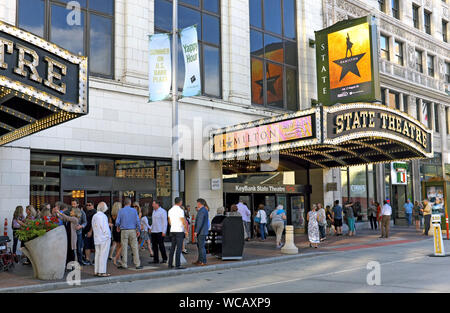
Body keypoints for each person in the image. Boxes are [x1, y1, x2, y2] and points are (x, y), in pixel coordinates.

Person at [115, 197, 142, 270]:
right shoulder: (134, 210)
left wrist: (117, 226)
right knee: (135, 247)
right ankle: (137, 264)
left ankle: (124, 264)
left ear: (124, 203)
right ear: (130, 203)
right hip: (132, 230)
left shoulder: (121, 211)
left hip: (124, 230)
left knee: (124, 247)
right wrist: (138, 230)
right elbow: (137, 221)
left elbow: (117, 221)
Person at [168, 197, 189, 270]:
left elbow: (169, 221)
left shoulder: (170, 210)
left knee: (173, 247)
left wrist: (173, 225)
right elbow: (183, 221)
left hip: (173, 229)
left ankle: (170, 264)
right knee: (179, 248)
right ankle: (177, 264)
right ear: (180, 202)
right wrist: (186, 231)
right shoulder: (180, 210)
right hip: (179, 230)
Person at [92, 202, 111, 277]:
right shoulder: (103, 216)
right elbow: (104, 227)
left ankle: (97, 271)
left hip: (97, 237)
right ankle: (102, 271)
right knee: (103, 254)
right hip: (103, 238)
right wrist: (107, 235)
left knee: (98, 254)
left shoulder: (95, 216)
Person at [69, 199, 87, 265]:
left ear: (77, 204)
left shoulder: (82, 212)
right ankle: (72, 262)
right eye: (72, 204)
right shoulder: (69, 211)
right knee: (72, 249)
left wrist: (81, 226)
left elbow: (85, 222)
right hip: (71, 232)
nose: (73, 205)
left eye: (74, 204)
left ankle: (80, 261)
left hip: (78, 232)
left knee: (79, 248)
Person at [149, 200, 168, 264]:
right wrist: (151, 228)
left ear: (157, 204)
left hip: (160, 231)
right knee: (154, 246)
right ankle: (156, 259)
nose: (152, 205)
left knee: (161, 246)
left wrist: (164, 231)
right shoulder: (153, 211)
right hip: (154, 231)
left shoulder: (163, 211)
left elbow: (165, 222)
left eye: (153, 204)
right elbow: (153, 221)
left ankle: (164, 258)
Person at [193, 198, 209, 266]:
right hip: (202, 231)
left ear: (199, 203)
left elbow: (200, 222)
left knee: (201, 246)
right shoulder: (203, 210)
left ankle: (203, 261)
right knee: (200, 246)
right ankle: (200, 260)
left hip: (201, 232)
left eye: (197, 203)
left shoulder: (202, 210)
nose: (197, 204)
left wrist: (196, 231)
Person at [109, 202, 122, 266]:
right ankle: (117, 258)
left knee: (117, 245)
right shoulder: (120, 214)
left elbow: (110, 223)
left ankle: (118, 258)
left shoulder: (112, 215)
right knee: (120, 246)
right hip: (119, 230)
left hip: (114, 230)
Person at [83, 201, 96, 265]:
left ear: (93, 205)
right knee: (87, 246)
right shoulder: (86, 212)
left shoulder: (94, 212)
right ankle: (87, 259)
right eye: (87, 205)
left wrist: (91, 231)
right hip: (86, 231)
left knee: (94, 246)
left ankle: (95, 260)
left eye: (89, 205)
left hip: (93, 232)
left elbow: (93, 223)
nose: (88, 206)